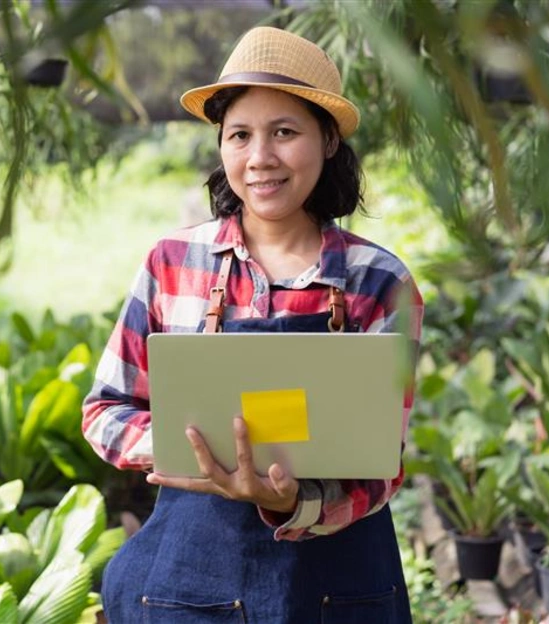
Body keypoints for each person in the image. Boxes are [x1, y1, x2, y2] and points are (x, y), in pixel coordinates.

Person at [82, 26, 423, 623]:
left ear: (328, 140)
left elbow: (381, 464)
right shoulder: (171, 263)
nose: (259, 157)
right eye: (239, 135)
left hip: (335, 591)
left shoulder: (379, 282)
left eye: (284, 133)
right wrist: (189, 454)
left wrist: (295, 502)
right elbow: (105, 409)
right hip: (189, 590)